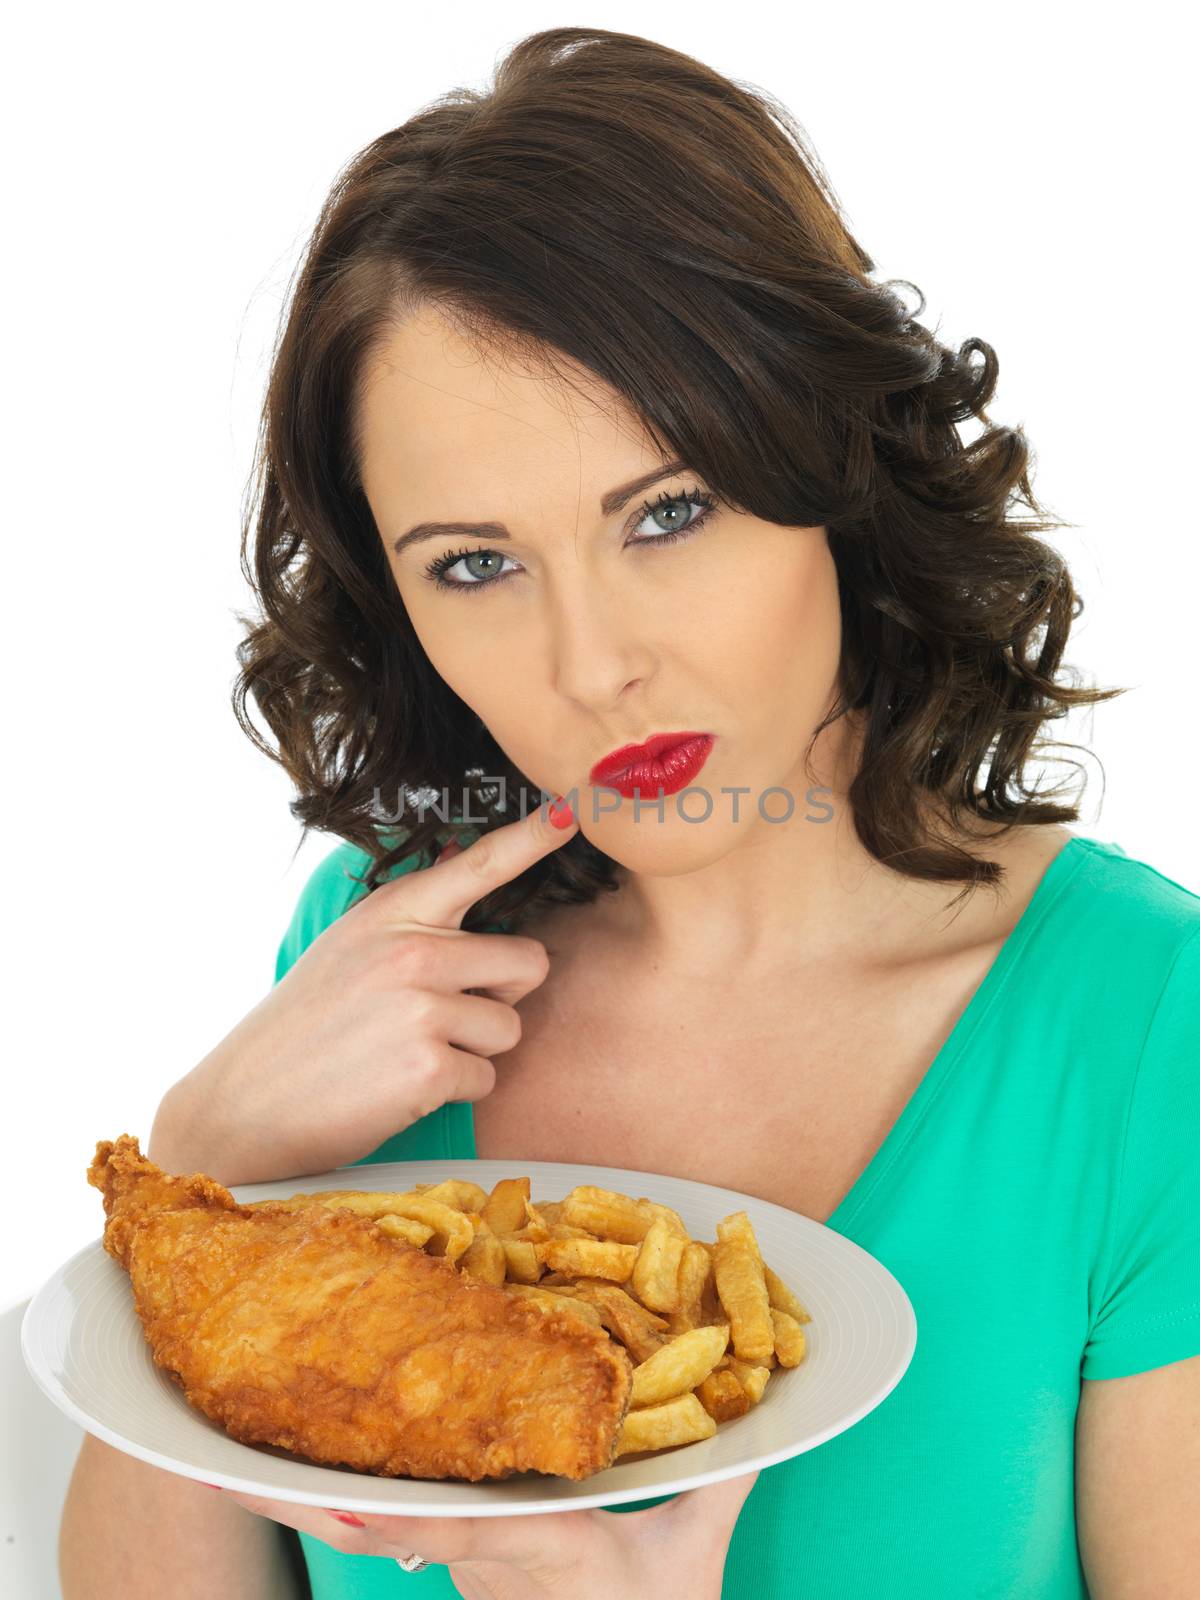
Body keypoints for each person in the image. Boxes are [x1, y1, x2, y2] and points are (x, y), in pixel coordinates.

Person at [59, 24, 1200, 1600]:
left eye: (668, 513)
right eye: (476, 564)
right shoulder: (385, 963)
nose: (592, 666)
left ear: (835, 469)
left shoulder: (1143, 1026)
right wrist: (196, 1180)